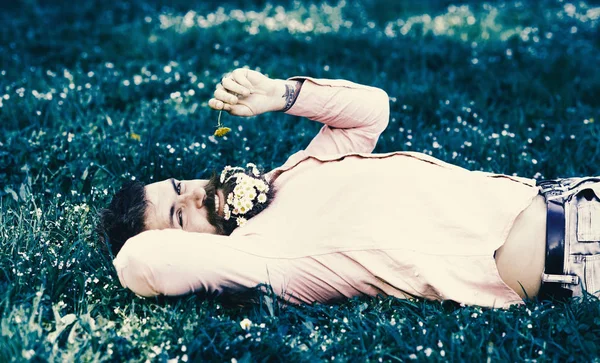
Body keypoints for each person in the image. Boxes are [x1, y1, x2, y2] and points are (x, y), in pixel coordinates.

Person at [99, 68, 600, 308]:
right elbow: (140, 261)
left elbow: (372, 110)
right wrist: (149, 238)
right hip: (577, 257)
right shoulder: (266, 260)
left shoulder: (295, 171)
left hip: (577, 195)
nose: (192, 195)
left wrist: (279, 96)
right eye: (179, 215)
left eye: (177, 186)